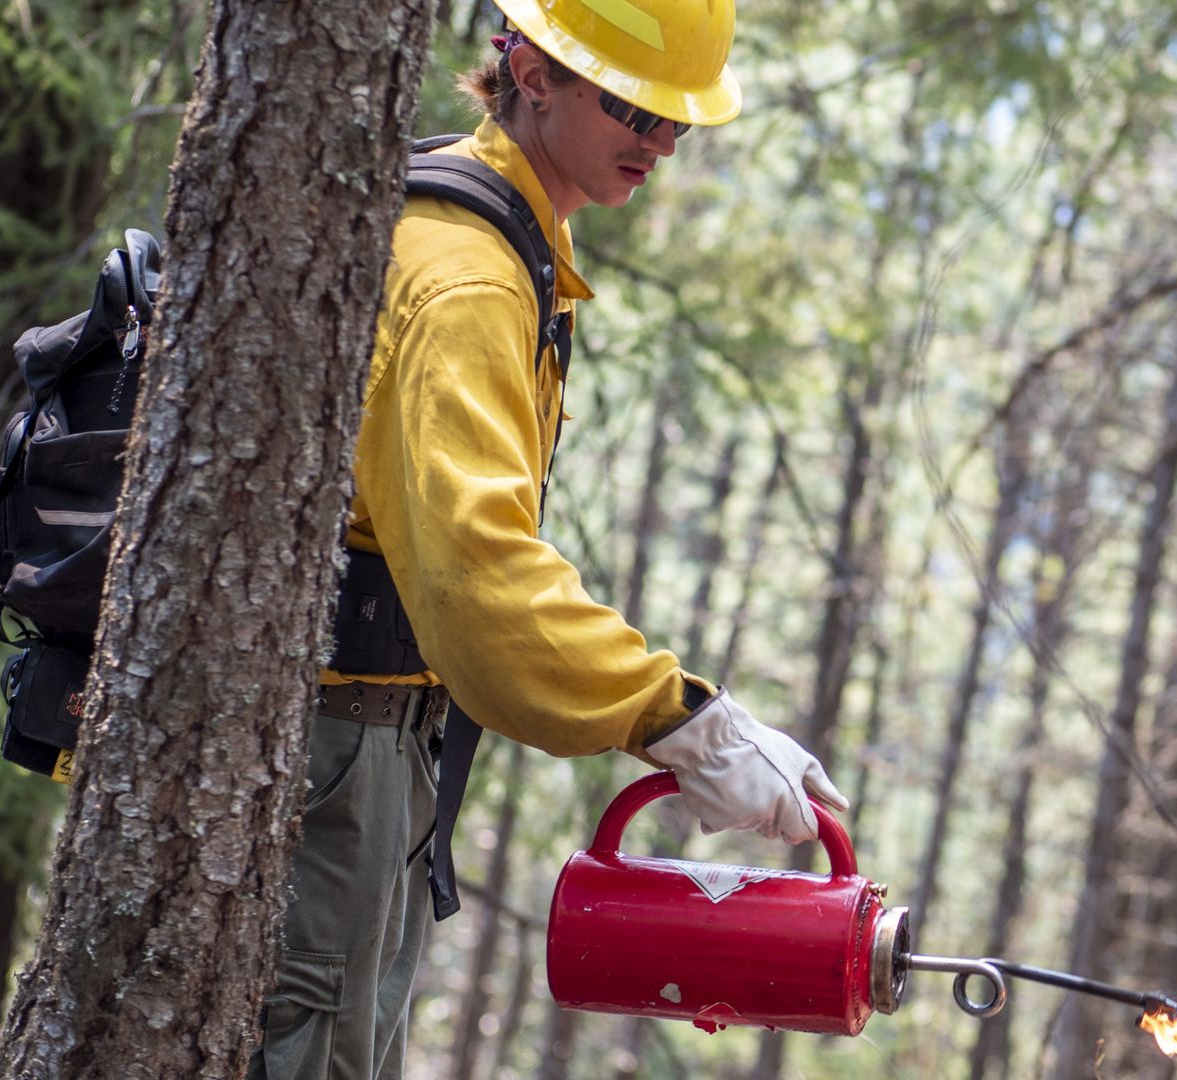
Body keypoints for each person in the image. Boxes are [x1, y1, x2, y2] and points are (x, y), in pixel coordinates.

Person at [250, 3, 845, 1078]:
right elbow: (481, 579)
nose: (659, 143)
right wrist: (682, 719)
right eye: (632, 106)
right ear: (530, 69)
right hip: (337, 749)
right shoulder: (470, 275)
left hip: (369, 740)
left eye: (679, 123)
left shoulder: (506, 230)